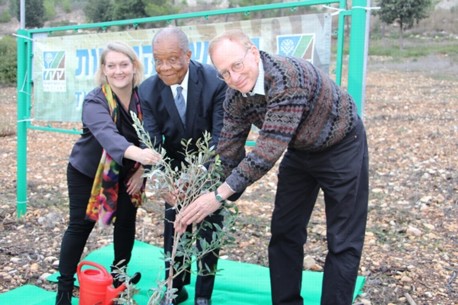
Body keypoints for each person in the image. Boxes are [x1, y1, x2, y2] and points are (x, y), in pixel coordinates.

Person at [175, 29, 369, 305]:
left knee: (342, 239)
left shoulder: (288, 78)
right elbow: (228, 153)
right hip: (299, 149)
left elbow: (266, 152)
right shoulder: (235, 97)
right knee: (284, 231)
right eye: (225, 73)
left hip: (341, 145)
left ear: (253, 53)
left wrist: (218, 196)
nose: (233, 77)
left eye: (237, 65)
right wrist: (204, 189)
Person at [55, 41, 161, 305]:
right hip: (87, 173)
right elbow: (107, 135)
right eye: (111, 65)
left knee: (125, 223)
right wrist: (140, 156)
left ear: (134, 66)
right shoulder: (95, 99)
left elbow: (156, 133)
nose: (118, 71)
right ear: (103, 69)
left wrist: (143, 172)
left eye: (124, 64)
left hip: (129, 173)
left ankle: (118, 279)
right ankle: (65, 289)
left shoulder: (144, 97)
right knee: (80, 226)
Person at [138, 27, 227, 305]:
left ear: (188, 55)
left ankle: (203, 295)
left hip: (209, 165)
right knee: (174, 226)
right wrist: (160, 179)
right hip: (174, 165)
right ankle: (175, 288)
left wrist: (200, 173)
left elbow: (221, 135)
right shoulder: (148, 89)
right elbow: (151, 141)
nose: (165, 68)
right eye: (158, 60)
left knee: (208, 228)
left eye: (173, 59)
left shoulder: (215, 81)